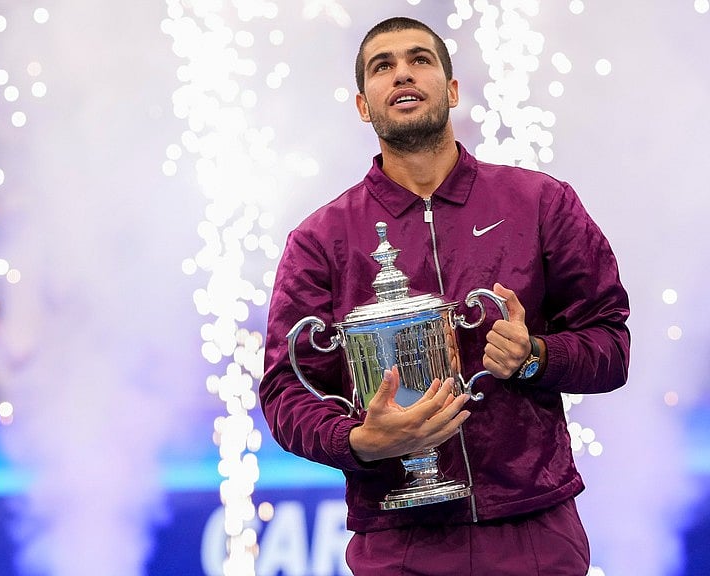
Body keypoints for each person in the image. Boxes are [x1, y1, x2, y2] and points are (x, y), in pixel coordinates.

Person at [259, 16, 630, 575]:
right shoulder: (320, 240)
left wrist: (537, 356)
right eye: (382, 66)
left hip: (533, 529)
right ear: (364, 104)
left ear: (452, 90)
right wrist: (358, 441)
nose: (402, 74)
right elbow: (285, 389)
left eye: (420, 60)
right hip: (399, 541)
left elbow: (612, 344)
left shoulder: (540, 203)